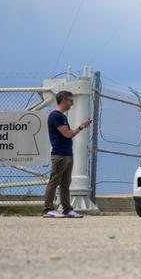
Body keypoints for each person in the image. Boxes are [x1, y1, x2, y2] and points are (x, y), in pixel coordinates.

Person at [44, 90, 91, 218]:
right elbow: (67, 134)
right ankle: (48, 209)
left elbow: (68, 134)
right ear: (64, 100)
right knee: (54, 181)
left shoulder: (62, 116)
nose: (72, 103)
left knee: (65, 182)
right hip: (59, 154)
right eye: (70, 101)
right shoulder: (56, 116)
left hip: (67, 153)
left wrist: (81, 127)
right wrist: (81, 127)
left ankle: (67, 209)